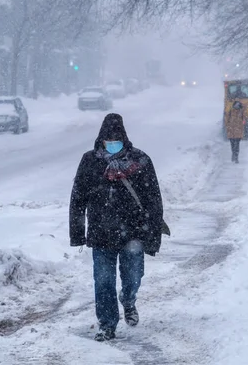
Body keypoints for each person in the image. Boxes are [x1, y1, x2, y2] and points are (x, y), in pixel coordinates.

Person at [69, 113, 164, 342]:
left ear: (124, 138)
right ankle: (107, 324)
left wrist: (152, 236)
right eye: (108, 139)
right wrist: (77, 232)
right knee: (103, 281)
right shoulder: (90, 162)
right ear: (101, 139)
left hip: (133, 232)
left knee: (133, 276)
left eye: (116, 139)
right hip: (101, 233)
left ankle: (128, 300)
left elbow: (153, 199)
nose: (112, 143)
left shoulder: (140, 161)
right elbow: (78, 197)